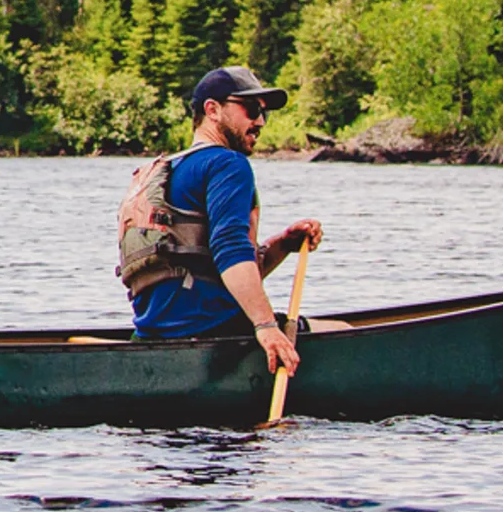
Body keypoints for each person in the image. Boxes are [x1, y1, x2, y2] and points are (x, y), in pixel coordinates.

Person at [120, 66, 342, 375]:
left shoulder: (169, 170)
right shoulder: (227, 164)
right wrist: (266, 327)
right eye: (251, 110)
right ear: (212, 109)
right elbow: (230, 250)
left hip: (154, 334)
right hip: (214, 330)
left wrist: (282, 245)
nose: (260, 122)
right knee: (341, 329)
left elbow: (219, 271)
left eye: (264, 113)